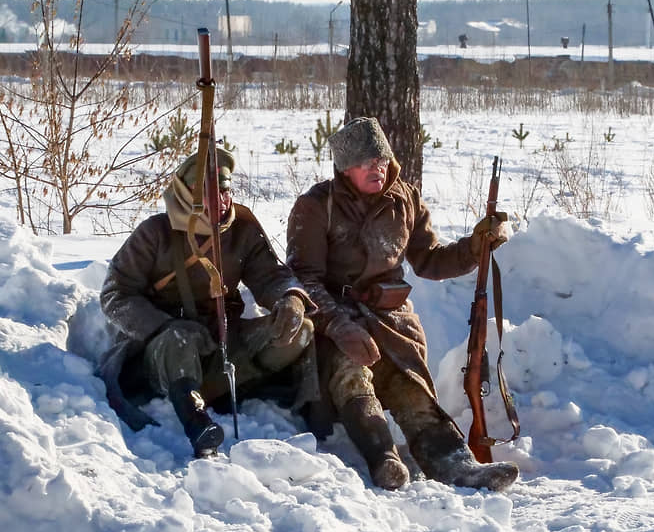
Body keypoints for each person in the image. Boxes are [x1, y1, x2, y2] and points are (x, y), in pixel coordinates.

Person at [286, 117, 518, 491]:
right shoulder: (316, 206)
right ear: (345, 169)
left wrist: (476, 247)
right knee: (352, 374)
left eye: (380, 160)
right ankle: (384, 458)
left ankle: (457, 465)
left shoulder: (405, 199)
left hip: (392, 322)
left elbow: (430, 260)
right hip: (334, 319)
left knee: (411, 387)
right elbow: (302, 278)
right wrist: (340, 327)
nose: (375, 169)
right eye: (364, 163)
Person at [99, 147, 318, 458]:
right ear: (185, 193)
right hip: (161, 350)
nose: (220, 200)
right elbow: (115, 294)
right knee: (180, 339)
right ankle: (196, 420)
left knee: (300, 331)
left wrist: (291, 298)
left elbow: (271, 276)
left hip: (221, 345)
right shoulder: (155, 233)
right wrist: (163, 326)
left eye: (225, 191)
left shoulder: (242, 229)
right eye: (207, 192)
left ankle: (289, 406)